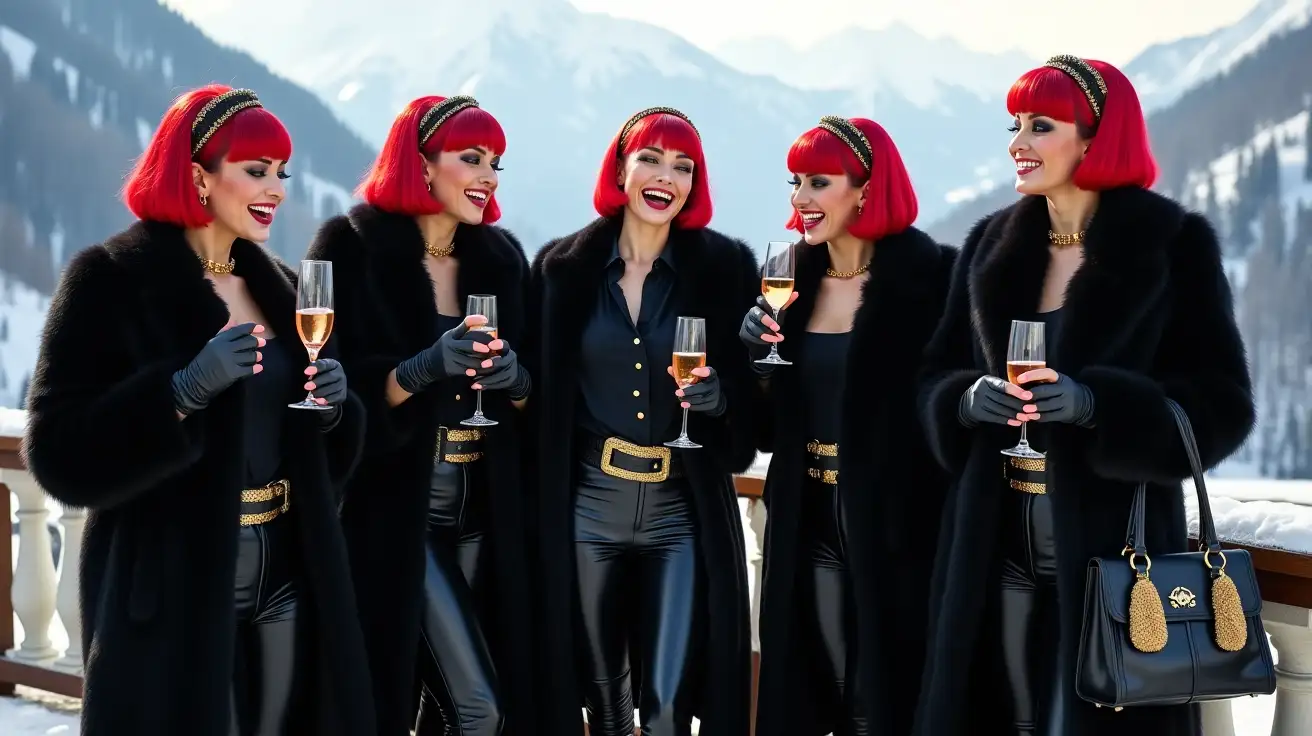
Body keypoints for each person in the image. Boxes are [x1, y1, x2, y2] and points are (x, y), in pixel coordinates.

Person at [914, 56, 1256, 736]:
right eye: (1014, 125)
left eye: (1040, 126)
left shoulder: (1173, 245)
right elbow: (933, 378)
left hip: (1114, 549)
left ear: (1098, 139)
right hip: (990, 542)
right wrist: (961, 402)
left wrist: (1102, 406)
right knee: (998, 716)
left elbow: (1224, 407)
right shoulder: (988, 245)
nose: (1017, 143)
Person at [21, 84, 375, 735]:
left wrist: (335, 415)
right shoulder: (108, 279)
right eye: (256, 171)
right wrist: (178, 393)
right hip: (175, 583)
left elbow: (323, 455)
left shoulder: (286, 287)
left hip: (289, 568)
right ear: (197, 176)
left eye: (281, 174)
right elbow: (57, 456)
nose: (277, 189)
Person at [524, 107, 760, 736]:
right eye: (651, 159)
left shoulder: (727, 268)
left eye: (684, 166)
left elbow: (753, 393)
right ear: (621, 168)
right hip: (585, 510)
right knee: (603, 707)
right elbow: (538, 396)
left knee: (663, 708)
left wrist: (721, 399)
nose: (666, 177)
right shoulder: (559, 269)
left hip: (680, 511)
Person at [304, 95, 535, 736]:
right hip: (394, 513)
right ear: (422, 164)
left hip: (485, 516)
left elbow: (537, 396)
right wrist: (416, 371)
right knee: (480, 709)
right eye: (472, 158)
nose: (489, 175)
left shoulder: (502, 258)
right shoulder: (350, 246)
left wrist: (518, 381)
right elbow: (325, 394)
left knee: (443, 710)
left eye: (495, 162)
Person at [740, 116, 956, 736]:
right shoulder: (788, 284)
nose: (799, 199)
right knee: (820, 691)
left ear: (866, 189)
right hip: (805, 515)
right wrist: (755, 364)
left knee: (880, 701)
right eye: (795, 182)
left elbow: (948, 405)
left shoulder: (935, 280)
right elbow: (762, 426)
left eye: (818, 182)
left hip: (897, 520)